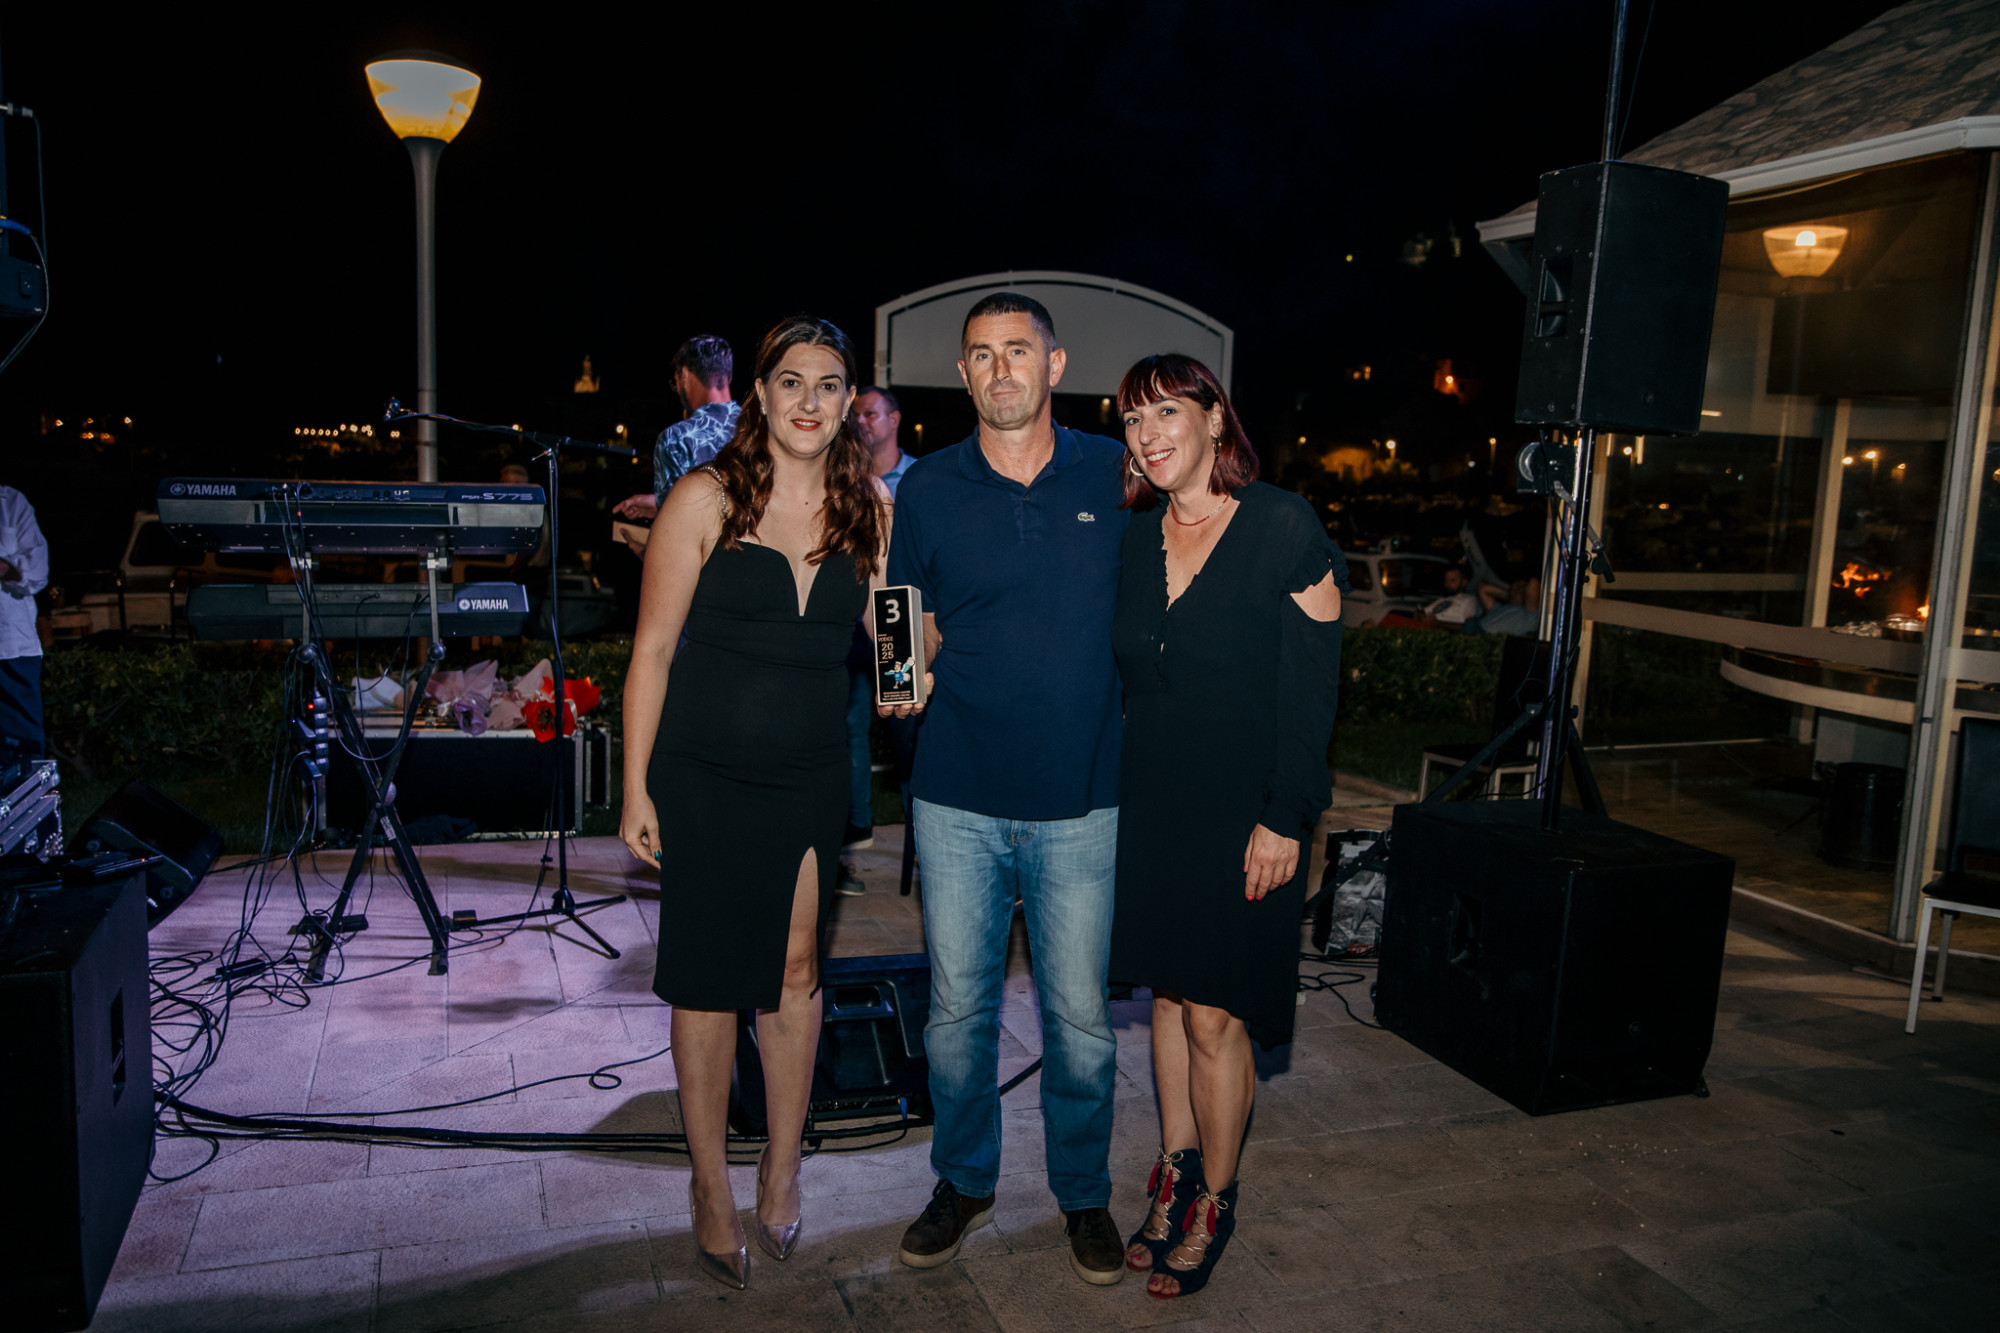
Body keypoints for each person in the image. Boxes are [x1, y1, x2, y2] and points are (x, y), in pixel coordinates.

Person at [619, 317, 890, 1290]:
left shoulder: (868, 507)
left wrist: (915, 666)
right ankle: (709, 1185)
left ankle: (781, 1167)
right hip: (703, 769)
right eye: (792, 381)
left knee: (794, 972)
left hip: (810, 773)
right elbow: (652, 651)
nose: (810, 400)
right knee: (705, 982)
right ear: (760, 394)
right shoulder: (705, 496)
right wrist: (634, 786)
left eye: (830, 384)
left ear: (848, 403)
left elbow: (893, 631)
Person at [881, 292, 1131, 1285]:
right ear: (964, 371)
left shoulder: (1115, 473)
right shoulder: (928, 486)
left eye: (1016, 351)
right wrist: (901, 681)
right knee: (956, 1017)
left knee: (1079, 1022)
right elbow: (904, 609)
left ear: (1054, 364)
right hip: (955, 793)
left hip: (1082, 795)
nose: (999, 370)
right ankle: (964, 1179)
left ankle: (1083, 1192)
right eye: (980, 355)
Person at [1107, 353, 1345, 1300]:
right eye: (1133, 419)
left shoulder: (1283, 525)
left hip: (1247, 813)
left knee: (1215, 1012)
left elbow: (1314, 689)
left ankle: (1216, 1193)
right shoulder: (1136, 535)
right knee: (1168, 1000)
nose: (1149, 433)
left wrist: (1286, 814)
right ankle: (1173, 1168)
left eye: (1167, 410)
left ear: (1214, 419)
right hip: (1154, 806)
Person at [835, 385, 915, 894]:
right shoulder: (758, 486)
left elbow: (883, 596)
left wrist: (901, 679)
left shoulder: (871, 494)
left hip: (839, 657)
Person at [611, 335, 740, 554]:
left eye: (676, 381)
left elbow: (677, 539)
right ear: (727, 375)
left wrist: (645, 551)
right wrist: (658, 502)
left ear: (685, 375)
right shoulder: (760, 429)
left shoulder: (676, 439)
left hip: (709, 570)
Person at [0, 485, 49, 763]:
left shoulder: (10, 502)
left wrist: (6, 567)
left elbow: (37, 571)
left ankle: (28, 792)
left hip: (11, 649)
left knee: (23, 751)